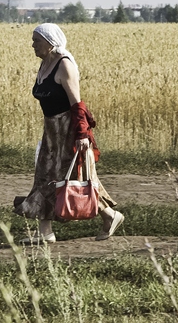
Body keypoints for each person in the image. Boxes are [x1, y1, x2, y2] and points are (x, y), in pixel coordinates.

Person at [13, 23, 123, 242]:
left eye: (36, 40)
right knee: (45, 176)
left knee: (73, 178)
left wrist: (82, 135)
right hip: (51, 130)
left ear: (50, 42)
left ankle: (110, 215)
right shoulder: (45, 64)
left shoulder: (64, 65)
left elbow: (77, 104)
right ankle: (45, 233)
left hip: (68, 130)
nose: (32, 45)